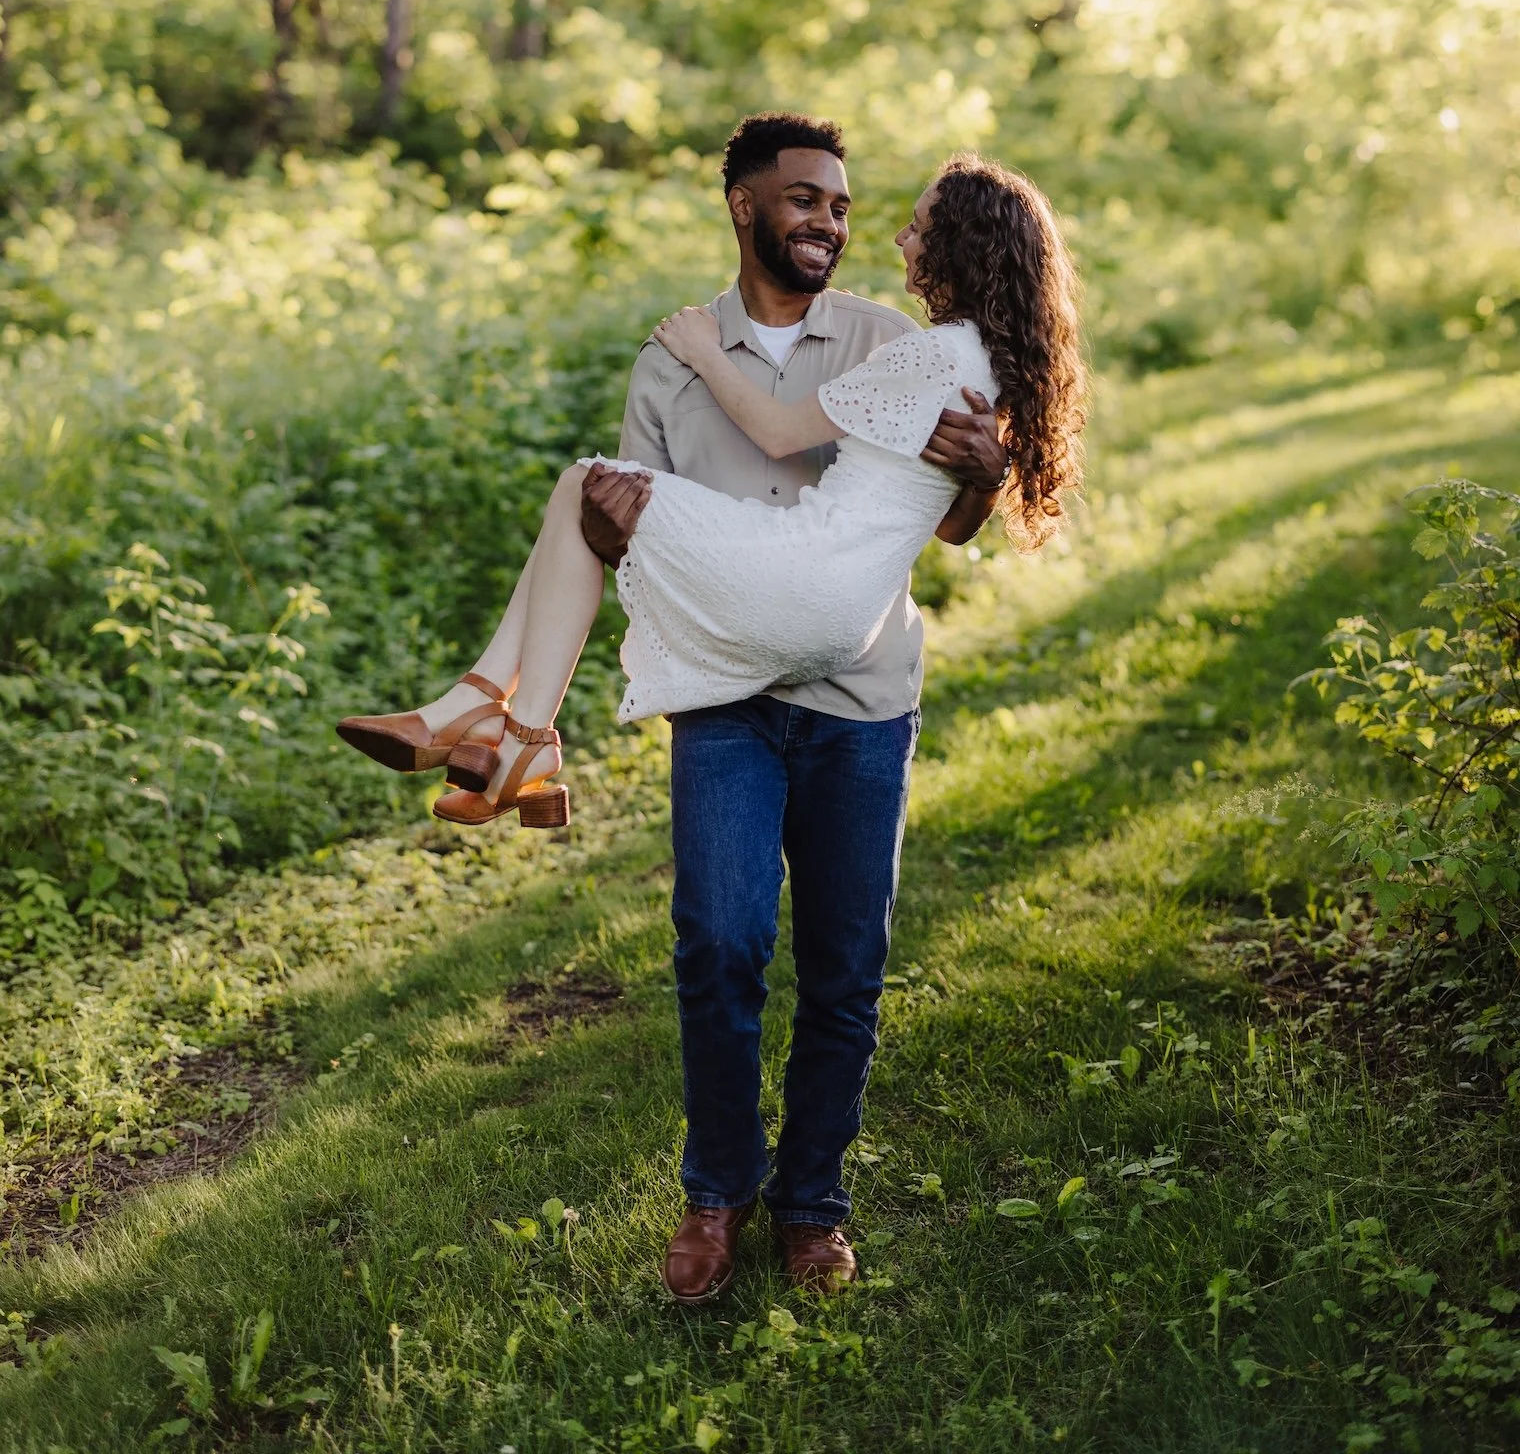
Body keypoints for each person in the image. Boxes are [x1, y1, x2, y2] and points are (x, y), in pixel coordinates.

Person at [336, 116, 1086, 1298]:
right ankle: (717, 1195)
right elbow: (618, 535)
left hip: (853, 689)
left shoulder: (892, 342)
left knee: (845, 970)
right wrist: (631, 501)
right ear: (746, 205)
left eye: (858, 211)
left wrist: (985, 483)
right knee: (720, 949)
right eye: (810, 201)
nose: (845, 227)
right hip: (732, 693)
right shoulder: (669, 372)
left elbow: (930, 514)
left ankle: (811, 1209)